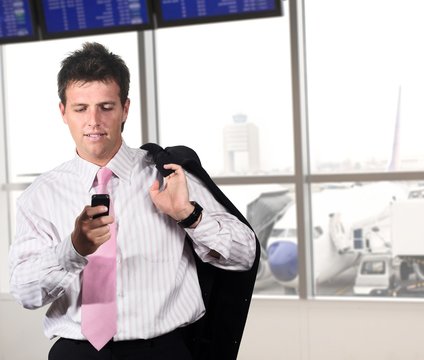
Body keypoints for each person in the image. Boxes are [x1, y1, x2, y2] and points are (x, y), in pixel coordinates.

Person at [8, 42, 257, 360]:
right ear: (63, 112)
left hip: (164, 351)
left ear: (125, 108)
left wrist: (188, 214)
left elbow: (245, 256)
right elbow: (26, 294)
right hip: (77, 353)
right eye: (81, 108)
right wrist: (73, 249)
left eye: (106, 107)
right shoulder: (40, 196)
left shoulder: (168, 175)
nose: (94, 121)